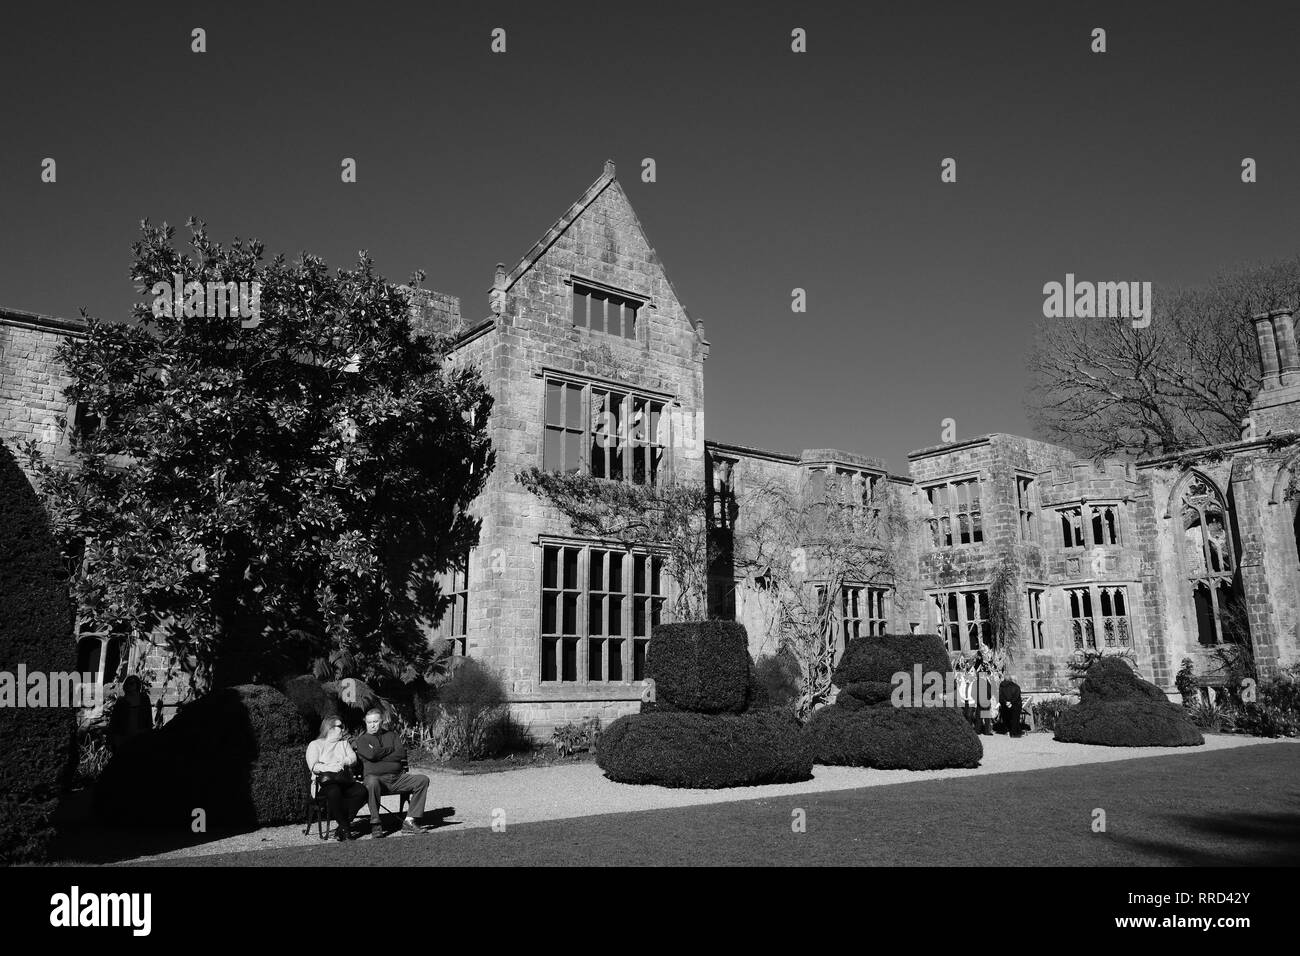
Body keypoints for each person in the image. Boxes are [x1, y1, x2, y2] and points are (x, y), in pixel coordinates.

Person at [352, 707, 430, 837]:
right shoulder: (362, 740)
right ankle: (376, 824)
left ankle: (410, 821)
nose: (372, 725)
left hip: (398, 778)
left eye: (375, 721)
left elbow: (400, 753)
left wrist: (378, 754)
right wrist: (389, 750)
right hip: (376, 780)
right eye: (369, 722)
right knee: (371, 782)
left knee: (422, 780)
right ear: (365, 723)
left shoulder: (392, 735)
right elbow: (371, 755)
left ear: (381, 721)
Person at [306, 717, 368, 841]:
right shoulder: (315, 744)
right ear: (329, 728)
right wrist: (333, 766)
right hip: (325, 784)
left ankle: (343, 825)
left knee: (362, 791)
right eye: (340, 726)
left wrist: (345, 761)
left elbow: (353, 758)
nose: (343, 729)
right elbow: (313, 766)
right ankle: (345, 829)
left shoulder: (344, 744)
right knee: (334, 792)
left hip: (344, 781)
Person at [108, 675, 153, 752]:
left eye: (132, 683)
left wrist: (147, 733)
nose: (130, 685)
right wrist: (113, 739)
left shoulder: (144, 699)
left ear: (137, 685)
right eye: (128, 683)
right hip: (124, 737)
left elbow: (148, 718)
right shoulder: (121, 701)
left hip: (139, 736)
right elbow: (114, 721)